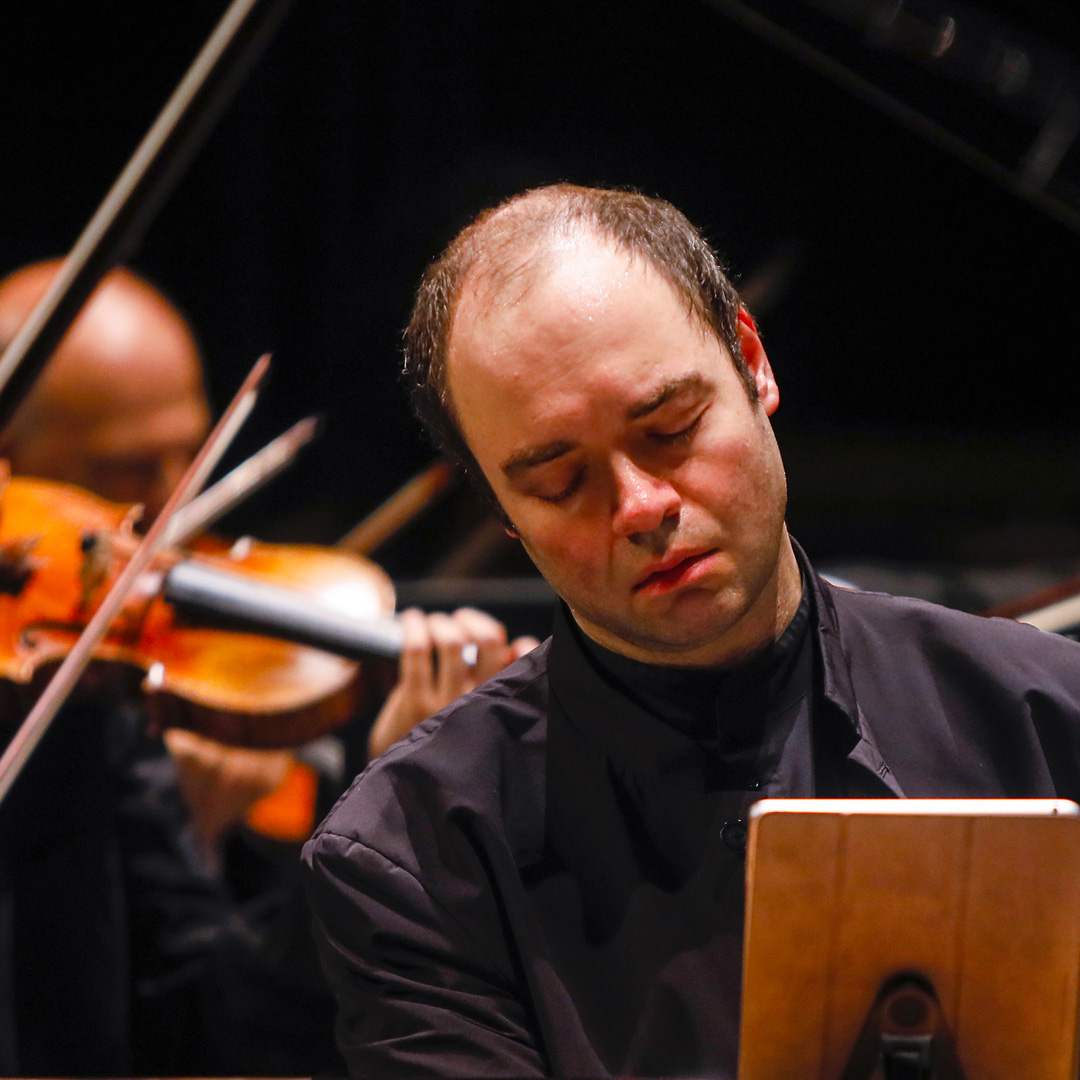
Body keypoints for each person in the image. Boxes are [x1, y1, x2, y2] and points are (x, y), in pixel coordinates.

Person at [301, 184, 1080, 1078]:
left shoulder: (1051, 715)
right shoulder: (413, 861)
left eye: (671, 429)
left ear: (752, 361)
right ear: (500, 511)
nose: (640, 507)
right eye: (559, 483)